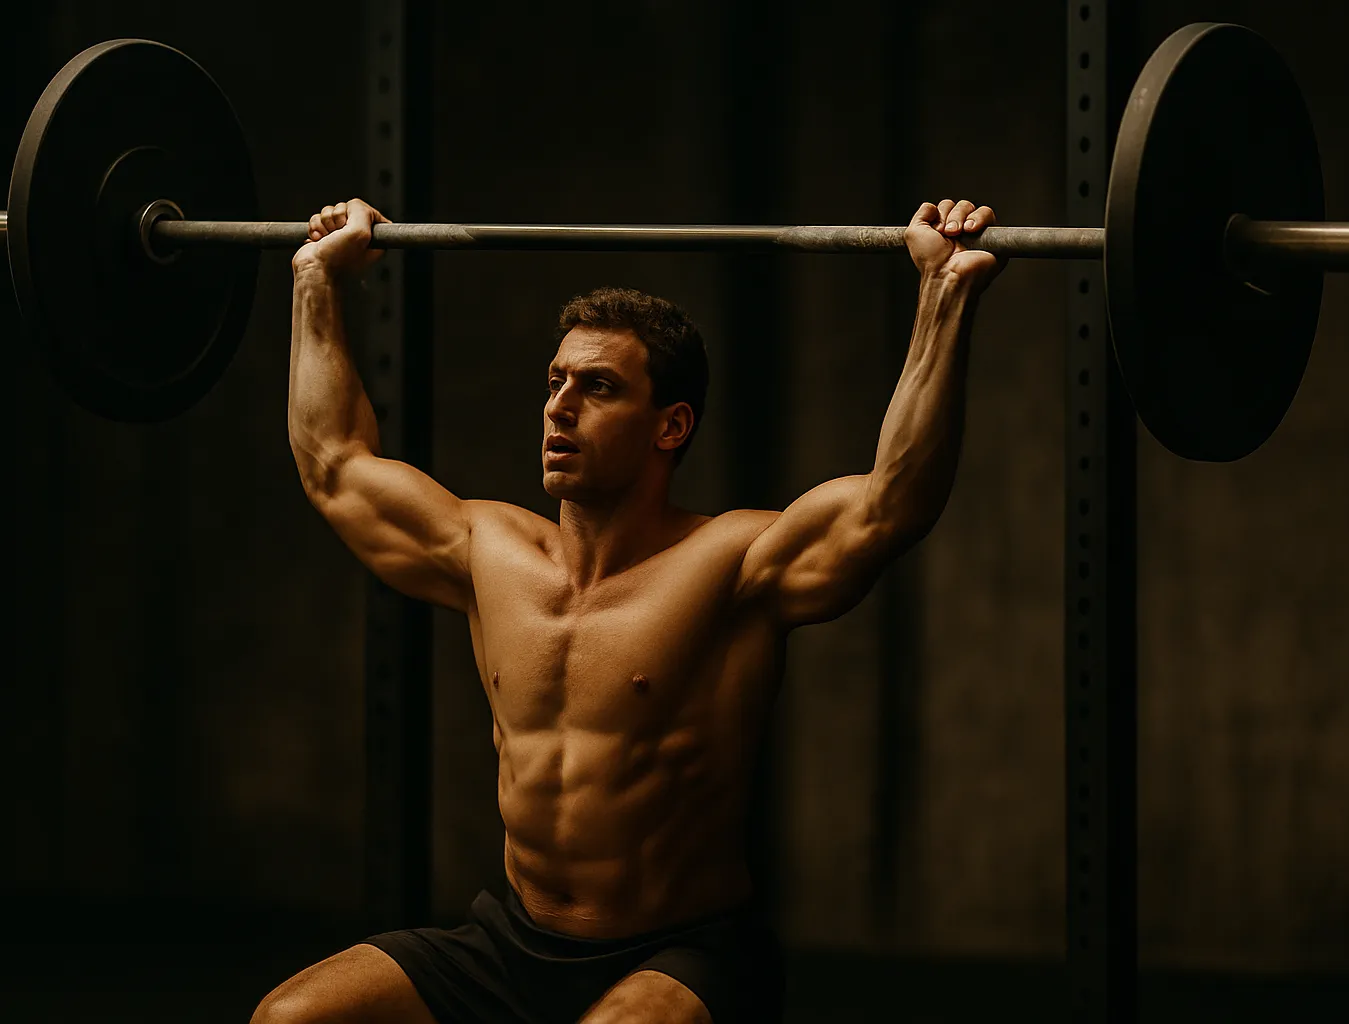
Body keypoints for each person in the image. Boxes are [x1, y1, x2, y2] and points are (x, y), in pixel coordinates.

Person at [255, 196, 1005, 1024]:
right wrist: (315, 278)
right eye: (555, 381)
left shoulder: (732, 565)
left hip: (682, 953)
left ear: (670, 426)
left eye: (599, 387)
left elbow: (892, 503)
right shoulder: (486, 551)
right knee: (292, 1018)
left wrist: (945, 290)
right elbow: (333, 463)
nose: (559, 406)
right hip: (510, 941)